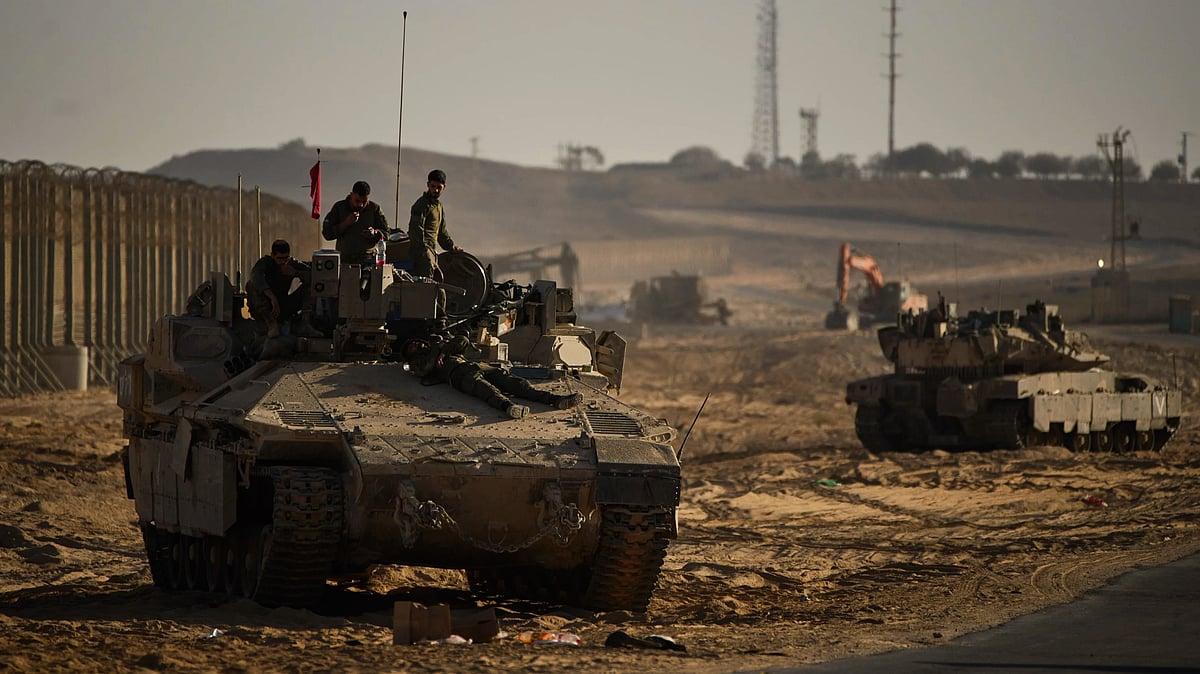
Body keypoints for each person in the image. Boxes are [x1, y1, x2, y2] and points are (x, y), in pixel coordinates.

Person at [402, 335, 581, 419]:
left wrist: (443, 349)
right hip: (457, 375)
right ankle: (509, 407)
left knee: (517, 384)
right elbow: (425, 368)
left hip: (475, 366)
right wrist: (438, 350)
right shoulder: (417, 362)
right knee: (485, 389)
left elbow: (462, 340)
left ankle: (555, 400)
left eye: (416, 341)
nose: (416, 344)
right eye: (412, 346)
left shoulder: (440, 349)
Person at [246, 240, 319, 338]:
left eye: (285, 258)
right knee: (251, 285)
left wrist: (296, 273)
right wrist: (271, 296)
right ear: (272, 255)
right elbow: (255, 276)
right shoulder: (266, 263)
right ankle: (271, 324)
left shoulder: (291, 264)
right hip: (265, 308)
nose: (282, 262)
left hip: (283, 306)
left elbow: (314, 276)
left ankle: (305, 323)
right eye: (279, 258)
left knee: (313, 286)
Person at [407, 169, 462, 280]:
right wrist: (425, 252)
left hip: (431, 254)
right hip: (421, 254)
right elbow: (416, 230)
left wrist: (451, 247)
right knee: (426, 289)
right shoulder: (421, 205)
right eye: (433, 186)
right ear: (428, 185)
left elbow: (442, 232)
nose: (435, 190)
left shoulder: (438, 207)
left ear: (444, 187)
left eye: (439, 187)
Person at [322, 180, 390, 266]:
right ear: (351, 195)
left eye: (364, 202)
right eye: (357, 201)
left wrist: (374, 233)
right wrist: (345, 224)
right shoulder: (339, 208)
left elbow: (387, 233)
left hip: (368, 260)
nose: (361, 205)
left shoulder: (374, 209)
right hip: (345, 261)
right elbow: (327, 233)